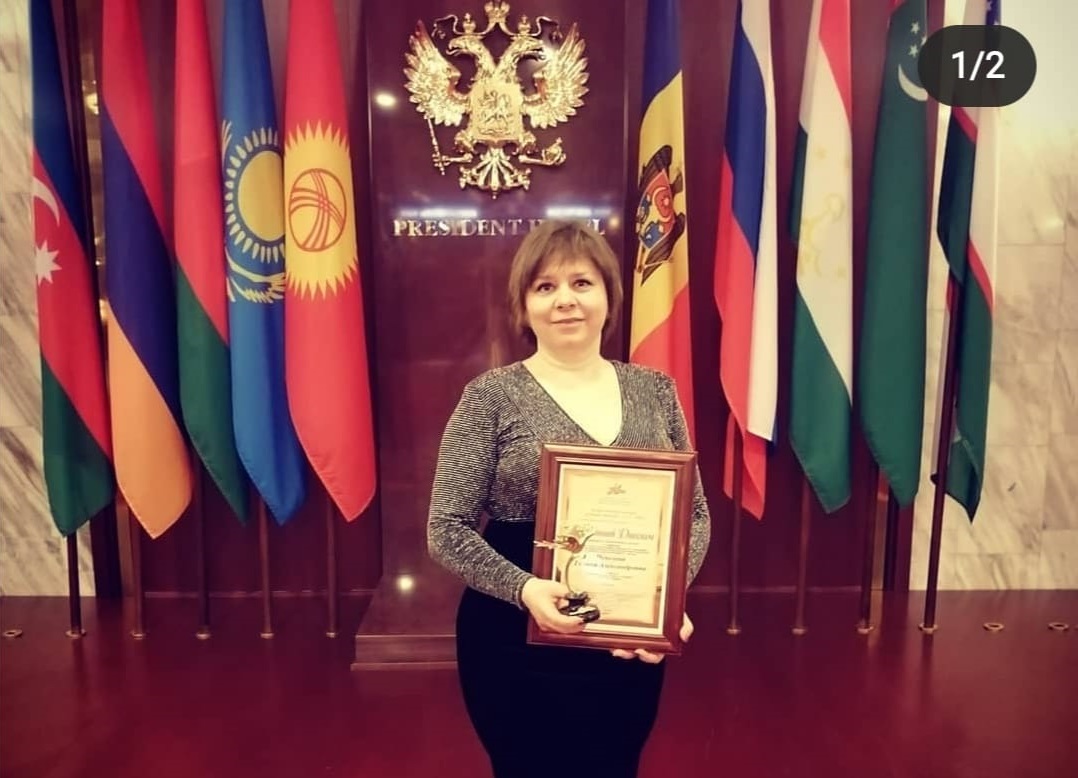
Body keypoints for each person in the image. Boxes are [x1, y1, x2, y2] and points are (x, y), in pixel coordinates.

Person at [427, 219, 711, 778]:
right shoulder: (490, 397)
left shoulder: (655, 390)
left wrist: (664, 604)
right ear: (524, 305)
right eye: (545, 286)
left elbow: (694, 515)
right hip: (514, 633)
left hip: (627, 638)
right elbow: (446, 528)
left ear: (609, 295)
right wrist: (525, 589)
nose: (565, 300)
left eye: (582, 282)